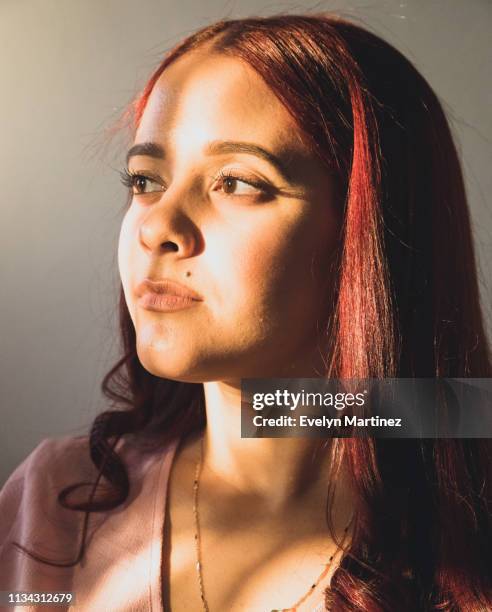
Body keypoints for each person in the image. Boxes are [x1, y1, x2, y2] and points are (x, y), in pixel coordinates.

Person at [0, 13, 491, 612]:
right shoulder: (50, 503)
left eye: (235, 182)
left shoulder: (470, 538)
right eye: (145, 179)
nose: (157, 226)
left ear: (374, 232)